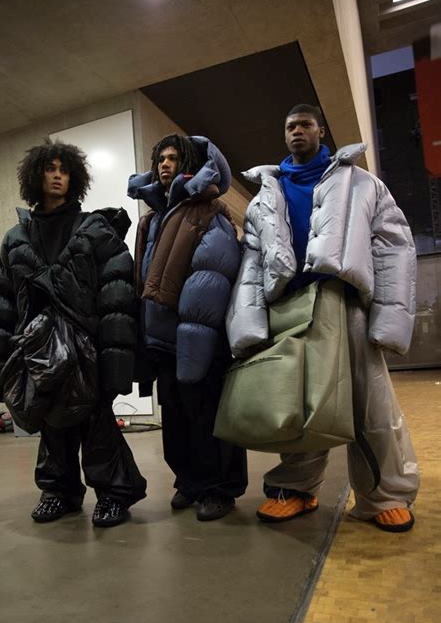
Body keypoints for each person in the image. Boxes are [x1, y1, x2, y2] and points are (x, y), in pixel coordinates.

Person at [226, 104, 419, 533]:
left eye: (304, 125)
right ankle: (295, 490)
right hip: (291, 308)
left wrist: (389, 316)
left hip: (345, 302)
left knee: (370, 405)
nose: (297, 132)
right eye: (290, 126)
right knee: (298, 402)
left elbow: (394, 247)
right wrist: (248, 323)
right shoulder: (265, 197)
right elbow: (253, 264)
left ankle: (382, 495)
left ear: (320, 130)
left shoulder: (362, 183)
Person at [0, 139, 147, 527]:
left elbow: (117, 295)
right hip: (35, 348)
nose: (56, 175)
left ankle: (114, 494)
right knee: (51, 422)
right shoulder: (15, 237)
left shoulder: (94, 229)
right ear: (35, 176)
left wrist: (118, 361)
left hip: (85, 343)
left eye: (63, 169)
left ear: (74, 178)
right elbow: (0, 305)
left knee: (96, 423)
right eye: (49, 168)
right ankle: (59, 491)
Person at [128, 134, 247, 521]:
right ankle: (190, 481)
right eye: (160, 159)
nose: (165, 165)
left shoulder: (207, 211)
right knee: (176, 419)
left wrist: (193, 339)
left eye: (174, 158)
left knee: (208, 415)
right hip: (164, 339)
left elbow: (211, 274)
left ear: (189, 164)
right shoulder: (152, 219)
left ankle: (220, 489)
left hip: (200, 338)